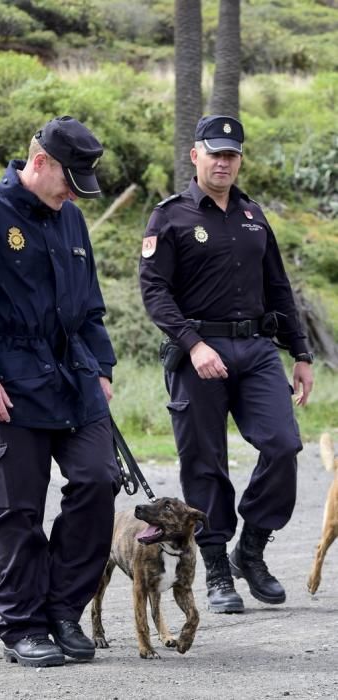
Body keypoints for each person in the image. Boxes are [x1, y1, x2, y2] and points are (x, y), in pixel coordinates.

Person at [0, 115, 120, 667]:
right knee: (19, 510)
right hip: (7, 380)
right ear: (40, 163)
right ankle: (23, 625)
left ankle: (62, 608)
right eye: (68, 181)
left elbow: (90, 307)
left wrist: (102, 367)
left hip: (72, 374)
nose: (72, 194)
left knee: (98, 480)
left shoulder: (71, 218)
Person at [139, 115, 314, 614]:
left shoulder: (254, 216)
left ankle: (251, 551)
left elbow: (279, 288)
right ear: (194, 155)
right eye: (214, 152)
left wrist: (299, 352)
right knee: (205, 460)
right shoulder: (170, 217)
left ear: (239, 159)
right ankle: (216, 566)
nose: (223, 161)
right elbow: (154, 292)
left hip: (256, 349)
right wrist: (193, 344)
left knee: (283, 444)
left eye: (231, 154)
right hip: (198, 353)